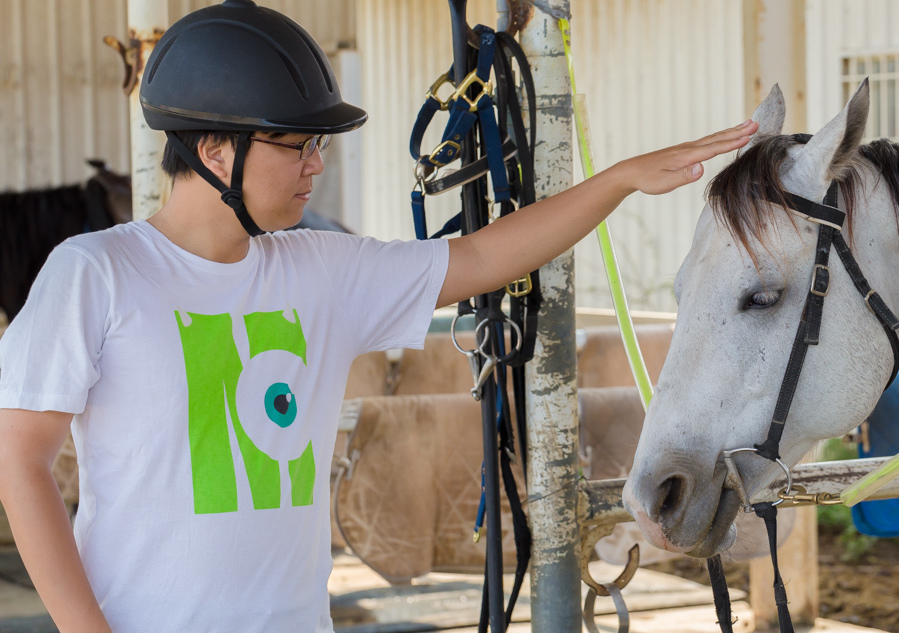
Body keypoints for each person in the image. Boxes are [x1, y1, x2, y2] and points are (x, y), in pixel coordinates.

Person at [0, 2, 757, 632]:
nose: (315, 165)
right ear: (215, 152)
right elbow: (20, 462)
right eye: (295, 145)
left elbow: (482, 258)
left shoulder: (318, 270)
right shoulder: (95, 273)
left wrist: (619, 180)